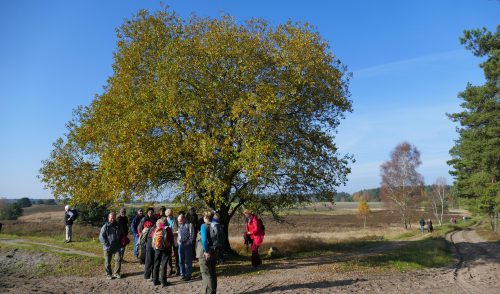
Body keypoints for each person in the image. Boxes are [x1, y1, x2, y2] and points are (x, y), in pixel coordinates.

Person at [196, 210, 217, 294]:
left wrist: (206, 251)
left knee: (206, 274)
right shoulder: (215, 225)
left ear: (205, 217)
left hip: (205, 253)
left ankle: (209, 292)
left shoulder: (203, 226)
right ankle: (213, 291)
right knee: (213, 273)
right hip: (214, 251)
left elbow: (204, 240)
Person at [99, 212, 123, 279]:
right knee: (107, 261)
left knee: (118, 259)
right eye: (111, 218)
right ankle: (108, 274)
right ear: (108, 218)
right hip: (107, 247)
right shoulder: (105, 226)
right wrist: (107, 244)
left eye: (114, 218)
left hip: (117, 246)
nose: (112, 219)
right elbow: (101, 237)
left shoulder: (118, 225)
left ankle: (117, 273)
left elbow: (121, 234)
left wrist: (122, 242)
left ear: (115, 218)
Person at [152, 218, 174, 287]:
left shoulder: (156, 229)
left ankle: (155, 280)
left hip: (157, 249)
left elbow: (152, 238)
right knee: (164, 265)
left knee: (156, 264)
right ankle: (163, 282)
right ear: (164, 223)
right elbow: (171, 238)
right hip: (166, 249)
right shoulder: (167, 229)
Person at [139, 207, 157, 277]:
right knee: (147, 256)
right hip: (145, 239)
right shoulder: (144, 219)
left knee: (151, 256)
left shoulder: (155, 219)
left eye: (152, 212)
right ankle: (147, 273)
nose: (150, 213)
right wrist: (141, 235)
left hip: (153, 238)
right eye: (149, 212)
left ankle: (150, 273)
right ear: (147, 212)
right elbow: (140, 228)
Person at [177, 213, 195, 281]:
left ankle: (188, 274)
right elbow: (179, 234)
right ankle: (182, 274)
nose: (179, 222)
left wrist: (188, 243)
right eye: (178, 220)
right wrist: (179, 242)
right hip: (180, 245)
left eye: (180, 220)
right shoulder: (179, 225)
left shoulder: (190, 225)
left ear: (184, 219)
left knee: (188, 260)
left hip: (187, 245)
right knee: (181, 260)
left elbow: (192, 235)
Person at [165, 208, 179, 276]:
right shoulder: (165, 220)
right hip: (168, 239)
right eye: (167, 215)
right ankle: (169, 269)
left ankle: (178, 269)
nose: (169, 216)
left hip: (175, 238)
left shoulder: (175, 219)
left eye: (170, 215)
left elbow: (179, 228)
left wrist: (175, 232)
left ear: (172, 214)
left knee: (176, 254)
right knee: (168, 254)